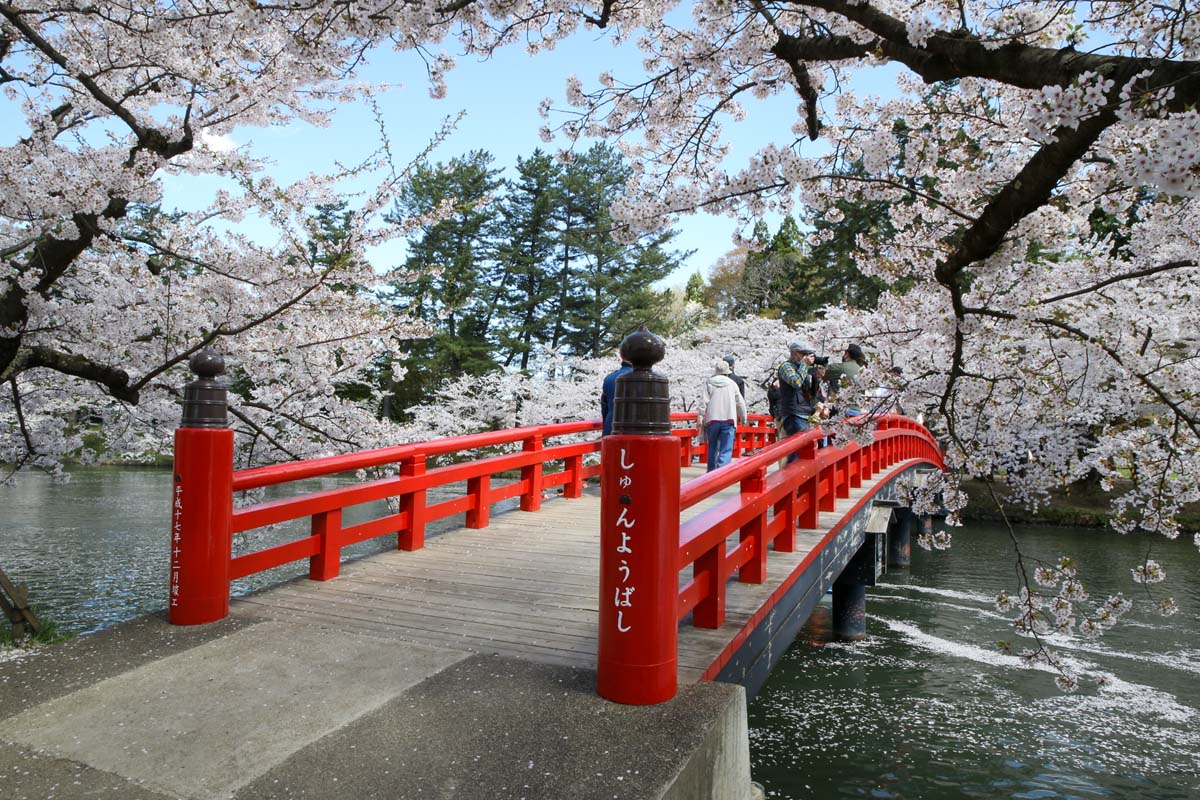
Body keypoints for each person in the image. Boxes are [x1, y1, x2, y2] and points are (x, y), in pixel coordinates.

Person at [699, 358, 747, 471]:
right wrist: (744, 418)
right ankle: (721, 472)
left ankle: (711, 471)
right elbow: (741, 403)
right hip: (729, 419)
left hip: (712, 420)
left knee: (712, 446)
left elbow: (703, 402)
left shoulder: (709, 383)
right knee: (726, 448)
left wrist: (700, 418)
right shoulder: (732, 384)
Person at [777, 341, 817, 463]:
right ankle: (790, 478)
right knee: (797, 451)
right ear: (795, 354)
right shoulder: (786, 366)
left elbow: (810, 392)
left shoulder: (802, 368)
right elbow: (796, 382)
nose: (806, 356)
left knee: (803, 449)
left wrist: (817, 377)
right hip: (793, 413)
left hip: (804, 412)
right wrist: (804, 365)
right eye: (804, 353)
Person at [600, 357, 633, 436]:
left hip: (612, 428)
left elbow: (605, 408)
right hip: (638, 431)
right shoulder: (650, 378)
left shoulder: (609, 378)